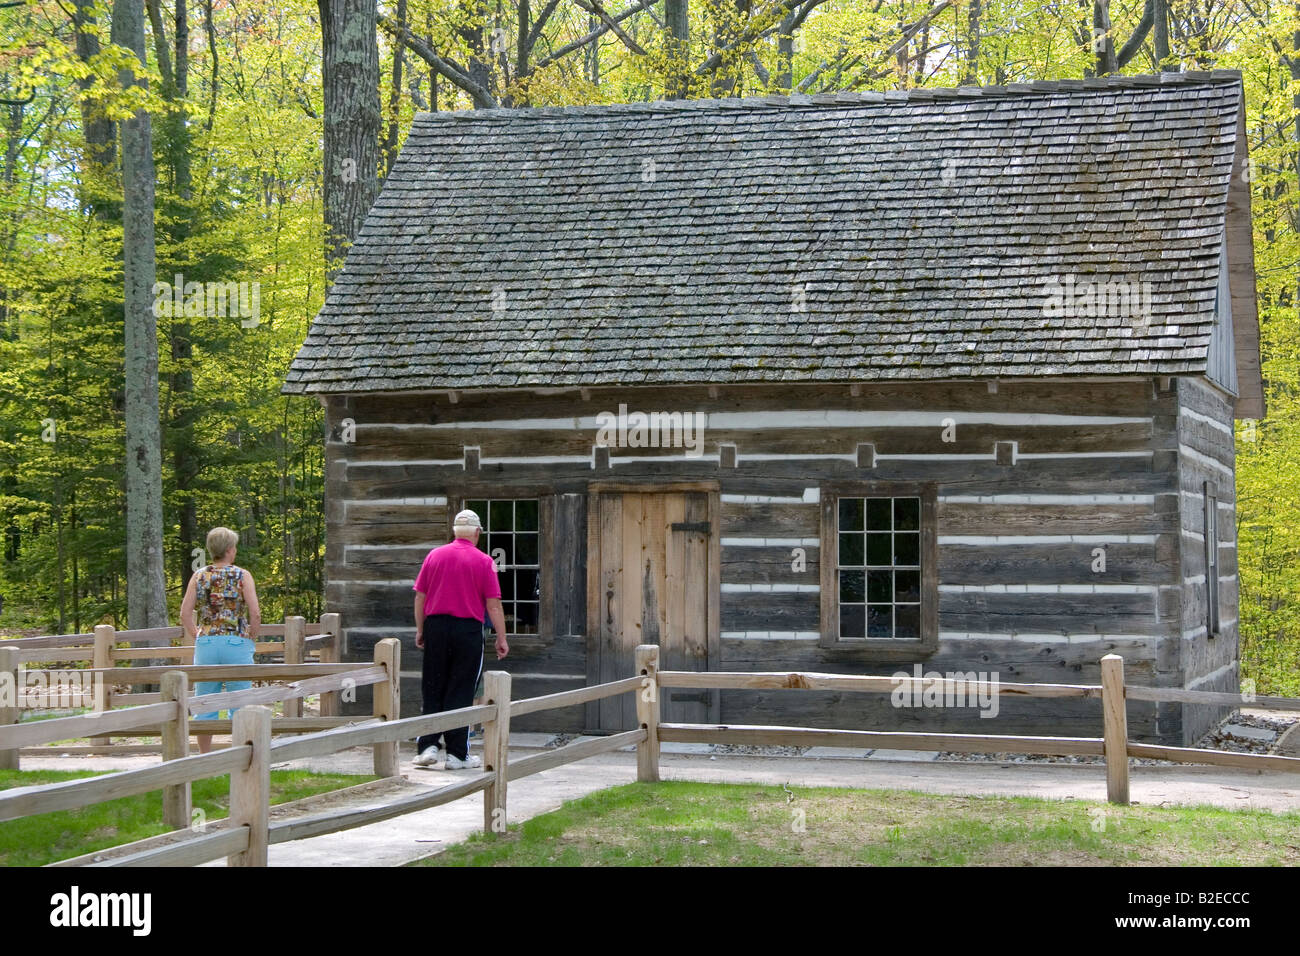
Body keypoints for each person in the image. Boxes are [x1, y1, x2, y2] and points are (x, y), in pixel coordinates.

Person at [412, 509, 508, 769]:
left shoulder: (434, 556)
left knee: (432, 687)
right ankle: (457, 754)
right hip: (468, 630)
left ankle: (427, 746)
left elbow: (420, 597)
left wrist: (421, 629)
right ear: (477, 533)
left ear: (455, 531)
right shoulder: (484, 561)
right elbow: (493, 605)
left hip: (436, 626)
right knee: (461, 690)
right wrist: (501, 636)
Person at [179, 527, 261, 754]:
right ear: (229, 550)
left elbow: (185, 613)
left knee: (205, 702)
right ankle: (240, 755)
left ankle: (206, 758)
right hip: (236, 641)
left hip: (207, 643)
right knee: (240, 703)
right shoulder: (242, 575)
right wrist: (250, 637)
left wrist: (197, 633)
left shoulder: (199, 576)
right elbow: (255, 613)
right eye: (234, 547)